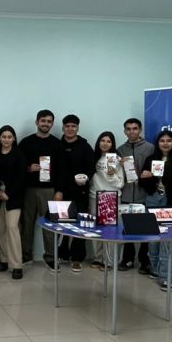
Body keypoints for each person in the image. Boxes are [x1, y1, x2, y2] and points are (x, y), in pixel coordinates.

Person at [139, 130, 172, 290]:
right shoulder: (150, 159)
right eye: (162, 140)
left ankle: (168, 277)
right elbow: (144, 184)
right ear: (158, 143)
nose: (166, 143)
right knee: (153, 240)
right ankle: (155, 269)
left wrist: (170, 198)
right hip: (153, 199)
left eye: (169, 140)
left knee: (170, 241)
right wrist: (146, 177)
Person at [19, 109, 62, 269]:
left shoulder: (57, 144)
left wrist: (59, 190)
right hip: (29, 189)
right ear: (37, 122)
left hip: (49, 190)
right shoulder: (25, 142)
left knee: (50, 224)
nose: (46, 124)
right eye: (43, 121)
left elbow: (61, 170)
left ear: (52, 124)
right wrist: (29, 168)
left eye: (49, 121)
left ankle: (50, 256)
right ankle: (25, 254)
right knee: (27, 223)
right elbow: (17, 166)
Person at [57, 114, 94, 271]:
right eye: (67, 126)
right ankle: (61, 254)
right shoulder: (57, 145)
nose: (70, 129)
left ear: (77, 128)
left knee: (80, 226)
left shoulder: (85, 146)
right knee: (62, 225)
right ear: (63, 127)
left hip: (81, 193)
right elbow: (55, 170)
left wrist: (85, 177)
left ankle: (77, 258)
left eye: (73, 126)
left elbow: (91, 167)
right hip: (62, 193)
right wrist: (58, 190)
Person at [0, 125, 27, 279]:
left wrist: (8, 194)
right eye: (3, 137)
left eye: (9, 137)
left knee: (12, 228)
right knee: (0, 230)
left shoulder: (19, 155)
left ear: (14, 139)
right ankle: (3, 259)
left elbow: (22, 179)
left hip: (14, 197)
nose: (6, 139)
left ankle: (16, 264)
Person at [117, 118, 154, 272]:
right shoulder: (120, 149)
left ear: (140, 130)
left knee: (145, 229)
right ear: (125, 131)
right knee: (126, 228)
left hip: (144, 195)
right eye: (128, 129)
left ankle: (144, 261)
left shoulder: (150, 148)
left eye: (135, 128)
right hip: (125, 194)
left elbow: (157, 170)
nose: (132, 131)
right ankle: (127, 259)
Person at [88, 131, 125, 270]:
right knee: (95, 230)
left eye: (108, 141)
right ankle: (98, 258)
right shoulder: (93, 157)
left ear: (112, 144)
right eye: (102, 140)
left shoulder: (116, 160)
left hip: (111, 198)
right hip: (93, 196)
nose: (105, 143)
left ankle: (109, 261)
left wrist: (111, 176)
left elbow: (120, 183)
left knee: (109, 231)